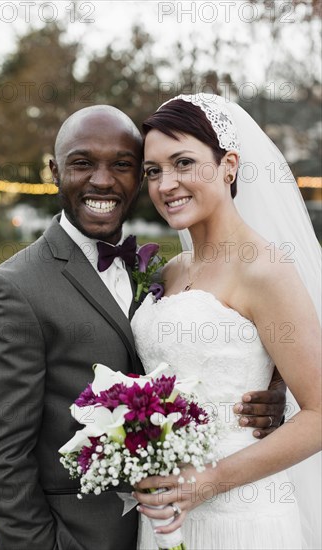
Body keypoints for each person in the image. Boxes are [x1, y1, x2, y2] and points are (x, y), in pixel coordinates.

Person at [0, 104, 286, 550]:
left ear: (139, 178)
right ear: (54, 171)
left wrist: (273, 384)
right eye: (82, 163)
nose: (102, 180)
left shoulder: (159, 271)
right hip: (83, 536)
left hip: (181, 524)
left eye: (123, 165)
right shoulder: (13, 289)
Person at [131, 94, 322, 550]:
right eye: (154, 171)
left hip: (242, 518)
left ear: (229, 166)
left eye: (183, 163)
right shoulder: (169, 272)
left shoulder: (265, 270)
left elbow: (318, 414)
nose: (166, 184)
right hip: (166, 515)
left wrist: (207, 484)